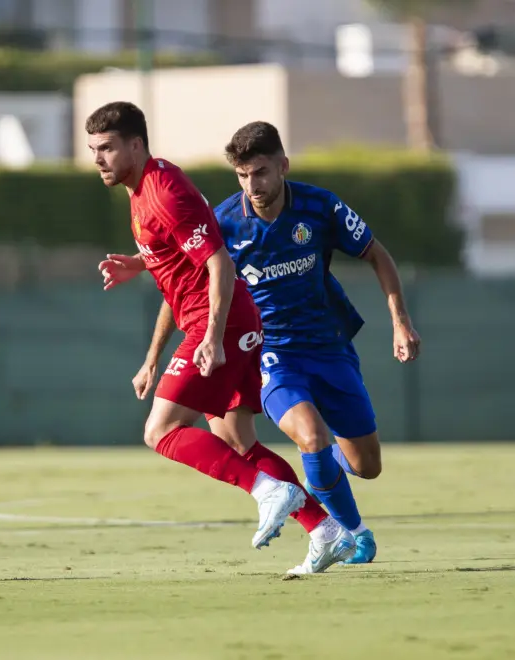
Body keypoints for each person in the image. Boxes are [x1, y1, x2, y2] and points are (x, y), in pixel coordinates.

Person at [89, 101, 354, 572]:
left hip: (223, 323)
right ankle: (325, 530)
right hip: (223, 322)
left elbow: (219, 263)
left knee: (161, 431)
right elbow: (177, 260)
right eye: (94, 149)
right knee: (236, 443)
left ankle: (269, 491)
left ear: (136, 144)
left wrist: (211, 335)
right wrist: (138, 273)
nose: (98, 159)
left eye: (107, 148)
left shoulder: (163, 190)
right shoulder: (144, 191)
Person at [211, 120, 421, 568]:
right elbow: (193, 276)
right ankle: (351, 533)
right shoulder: (225, 222)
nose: (253, 185)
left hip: (330, 347)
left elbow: (376, 254)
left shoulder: (319, 206)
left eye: (262, 172)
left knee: (366, 466)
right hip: (273, 355)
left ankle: (330, 478)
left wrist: (399, 322)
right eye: (243, 175)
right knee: (311, 436)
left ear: (283, 165)